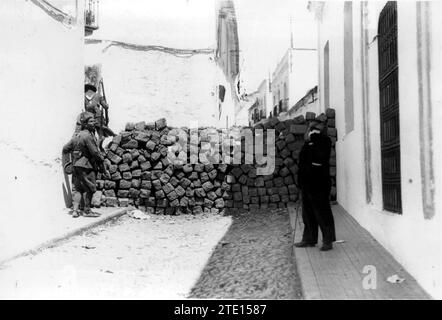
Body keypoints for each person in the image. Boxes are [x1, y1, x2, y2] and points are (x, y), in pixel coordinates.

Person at [295, 119, 336, 251]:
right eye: (310, 128)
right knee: (307, 214)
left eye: (313, 128)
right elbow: (302, 163)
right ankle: (309, 239)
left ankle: (328, 240)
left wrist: (314, 138)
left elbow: (320, 157)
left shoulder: (325, 141)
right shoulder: (308, 144)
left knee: (323, 213)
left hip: (319, 184)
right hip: (307, 184)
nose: (310, 130)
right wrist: (300, 181)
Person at [63, 112, 105, 218]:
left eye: (94, 121)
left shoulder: (77, 135)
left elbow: (65, 149)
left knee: (78, 189)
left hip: (76, 166)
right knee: (90, 188)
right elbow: (95, 152)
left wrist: (69, 162)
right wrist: (101, 160)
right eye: (91, 121)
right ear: (85, 124)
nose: (94, 123)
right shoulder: (88, 136)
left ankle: (75, 211)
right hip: (87, 166)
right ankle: (87, 211)